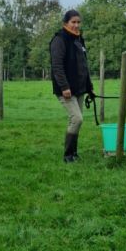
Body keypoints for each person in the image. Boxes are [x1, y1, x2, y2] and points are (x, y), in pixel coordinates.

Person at [50, 9, 94, 162]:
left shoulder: (79, 39)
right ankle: (68, 155)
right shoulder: (59, 39)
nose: (76, 25)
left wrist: (89, 87)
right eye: (73, 22)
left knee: (76, 121)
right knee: (77, 119)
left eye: (78, 22)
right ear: (65, 23)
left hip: (79, 88)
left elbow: (84, 65)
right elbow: (57, 66)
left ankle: (74, 154)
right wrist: (64, 87)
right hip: (66, 89)